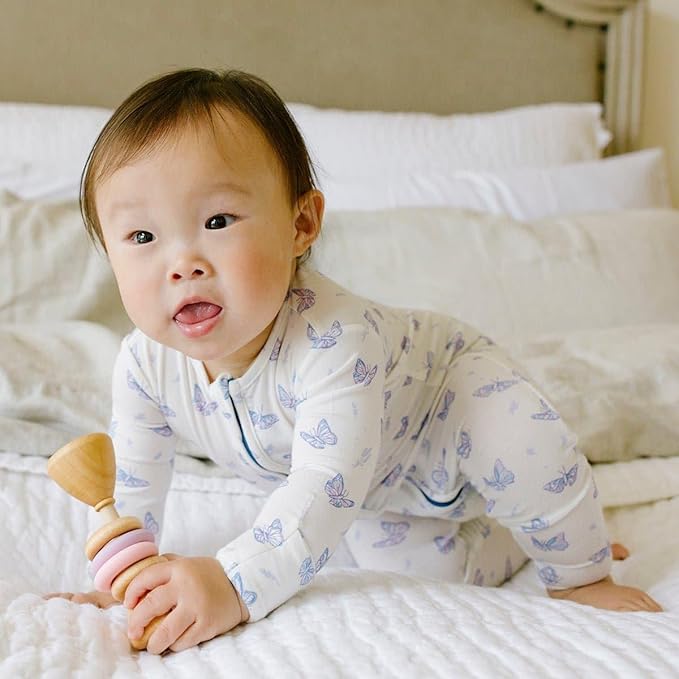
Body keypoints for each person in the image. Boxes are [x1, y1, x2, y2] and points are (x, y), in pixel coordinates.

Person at [48, 68, 663, 655]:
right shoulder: (145, 364)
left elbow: (324, 488)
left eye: (217, 221)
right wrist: (127, 578)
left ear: (300, 224)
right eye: (142, 237)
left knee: (525, 448)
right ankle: (515, 538)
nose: (182, 264)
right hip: (382, 488)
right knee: (431, 576)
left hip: (450, 402)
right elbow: (135, 477)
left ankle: (578, 568)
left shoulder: (333, 342)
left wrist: (232, 582)